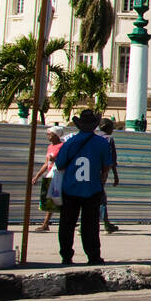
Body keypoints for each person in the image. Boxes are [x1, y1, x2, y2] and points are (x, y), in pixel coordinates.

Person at [55, 109, 113, 265]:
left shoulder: (69, 142)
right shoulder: (102, 143)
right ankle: (93, 256)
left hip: (70, 188)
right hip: (92, 188)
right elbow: (107, 166)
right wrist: (101, 178)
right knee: (91, 225)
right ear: (94, 126)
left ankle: (66, 256)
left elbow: (59, 165)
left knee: (67, 224)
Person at [29, 127, 64, 232]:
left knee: (56, 198)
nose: (48, 135)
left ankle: (46, 224)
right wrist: (37, 176)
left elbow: (65, 160)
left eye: (50, 134)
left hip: (59, 175)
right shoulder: (50, 147)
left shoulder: (62, 146)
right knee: (50, 198)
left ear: (56, 135)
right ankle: (46, 223)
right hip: (51, 174)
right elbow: (47, 163)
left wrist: (56, 159)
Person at [98, 118, 121, 233]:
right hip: (102, 173)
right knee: (101, 198)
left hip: (91, 172)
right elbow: (112, 159)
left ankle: (106, 223)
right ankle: (104, 223)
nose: (113, 129)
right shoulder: (108, 139)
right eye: (112, 127)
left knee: (96, 197)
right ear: (107, 127)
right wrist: (115, 176)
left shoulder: (94, 137)